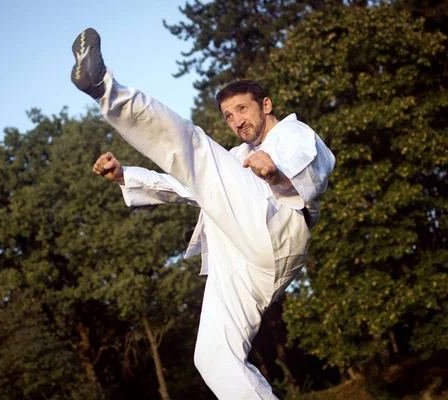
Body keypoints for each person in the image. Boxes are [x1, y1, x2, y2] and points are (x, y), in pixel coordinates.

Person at [71, 28, 335, 400]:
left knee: (194, 145)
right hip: (244, 263)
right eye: (228, 116)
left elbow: (313, 166)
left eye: (242, 109)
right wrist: (125, 175)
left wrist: (274, 170)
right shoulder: (236, 158)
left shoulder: (295, 134)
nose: (236, 121)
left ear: (267, 105)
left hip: (276, 225)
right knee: (212, 358)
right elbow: (186, 183)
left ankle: (102, 87)